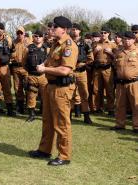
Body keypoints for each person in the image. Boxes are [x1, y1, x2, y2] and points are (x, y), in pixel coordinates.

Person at [29, 16, 78, 166]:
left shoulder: (69, 45)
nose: (51, 30)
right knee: (47, 120)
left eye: (54, 27)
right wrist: (44, 65)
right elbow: (49, 60)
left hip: (62, 88)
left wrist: (45, 69)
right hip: (50, 86)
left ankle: (64, 155)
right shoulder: (55, 44)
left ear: (64, 30)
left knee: (61, 123)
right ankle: (44, 149)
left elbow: (65, 70)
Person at [111, 31, 138, 133]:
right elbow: (115, 65)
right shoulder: (119, 51)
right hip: (120, 83)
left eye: (129, 39)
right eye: (125, 39)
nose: (126, 41)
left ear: (133, 40)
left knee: (135, 105)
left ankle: (136, 126)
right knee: (119, 104)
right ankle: (120, 124)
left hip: (134, 83)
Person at [24, 30, 49, 122]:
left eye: (40, 36)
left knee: (45, 96)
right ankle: (31, 115)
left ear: (43, 38)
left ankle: (45, 114)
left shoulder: (47, 48)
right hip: (32, 75)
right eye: (36, 36)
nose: (38, 37)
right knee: (31, 96)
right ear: (33, 37)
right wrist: (28, 73)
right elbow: (24, 62)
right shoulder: (28, 48)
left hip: (43, 76)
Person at [71, 23, 93, 124]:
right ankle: (69, 116)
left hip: (81, 72)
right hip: (70, 72)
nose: (74, 31)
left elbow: (91, 58)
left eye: (76, 29)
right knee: (70, 94)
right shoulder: (68, 42)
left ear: (80, 31)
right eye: (73, 29)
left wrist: (83, 64)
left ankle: (86, 116)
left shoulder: (85, 43)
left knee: (84, 94)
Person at [0, 22, 15, 116]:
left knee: (7, 88)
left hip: (5, 67)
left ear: (4, 30)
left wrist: (10, 60)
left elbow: (13, 51)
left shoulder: (8, 40)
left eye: (1, 28)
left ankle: (9, 109)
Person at [92, 27, 116, 116]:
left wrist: (111, 53)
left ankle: (111, 109)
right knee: (96, 90)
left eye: (105, 32)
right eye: (101, 32)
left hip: (107, 69)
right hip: (97, 69)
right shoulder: (95, 44)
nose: (103, 34)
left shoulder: (112, 45)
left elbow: (117, 58)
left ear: (108, 33)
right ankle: (96, 108)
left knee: (109, 90)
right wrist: (95, 51)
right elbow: (90, 57)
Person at [10, 26, 29, 114]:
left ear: (24, 33)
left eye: (21, 33)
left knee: (28, 87)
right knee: (17, 88)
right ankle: (19, 107)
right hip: (16, 68)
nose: (19, 34)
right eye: (18, 33)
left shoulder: (29, 42)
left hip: (26, 68)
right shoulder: (13, 43)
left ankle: (29, 106)